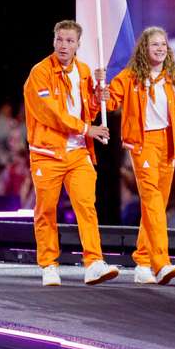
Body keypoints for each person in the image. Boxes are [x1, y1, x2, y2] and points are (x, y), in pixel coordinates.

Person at [95, 26, 175, 285]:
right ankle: (160, 262)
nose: (160, 48)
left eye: (163, 44)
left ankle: (141, 263)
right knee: (152, 202)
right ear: (144, 48)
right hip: (143, 145)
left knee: (156, 207)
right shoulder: (130, 77)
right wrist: (101, 91)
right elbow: (110, 102)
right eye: (154, 45)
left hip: (169, 145)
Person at [23, 20, 119, 286]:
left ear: (78, 45)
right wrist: (87, 128)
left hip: (78, 153)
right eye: (60, 40)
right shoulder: (39, 73)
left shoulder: (85, 71)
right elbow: (51, 113)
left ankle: (94, 263)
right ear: (54, 41)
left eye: (69, 41)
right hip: (47, 153)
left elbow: (89, 108)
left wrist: (100, 92)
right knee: (46, 210)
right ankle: (49, 265)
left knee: (86, 206)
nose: (63, 45)